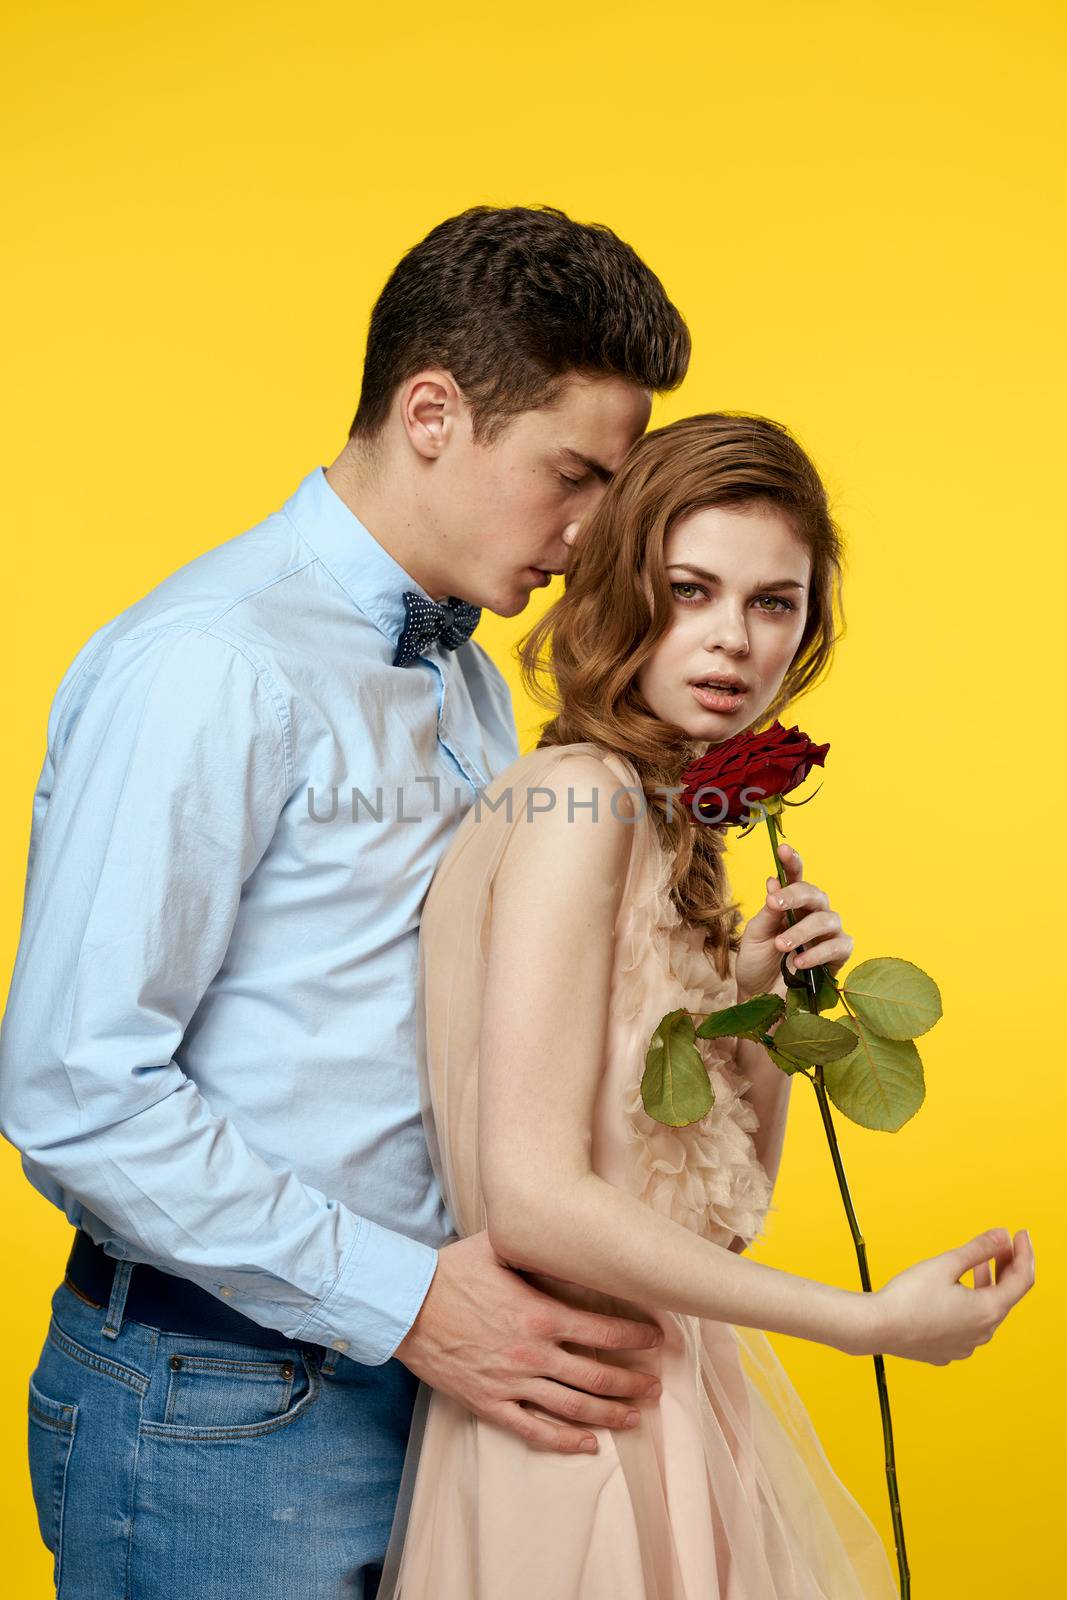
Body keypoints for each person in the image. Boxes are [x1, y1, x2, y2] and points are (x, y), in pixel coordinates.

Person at [0, 204, 692, 1598]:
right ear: (431, 412)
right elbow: (76, 1090)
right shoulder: (211, 664)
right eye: (571, 474)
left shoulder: (470, 676)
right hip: (225, 1410)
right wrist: (414, 1301)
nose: (590, 530)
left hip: (433, 1384)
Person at [373, 412, 1036, 1598]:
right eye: (689, 590)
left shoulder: (666, 829)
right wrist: (863, 1321)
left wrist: (770, 1011)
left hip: (655, 1395)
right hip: (576, 1422)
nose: (732, 639)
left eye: (772, 603)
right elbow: (530, 1202)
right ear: (621, 587)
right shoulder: (580, 803)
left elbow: (722, 1220)